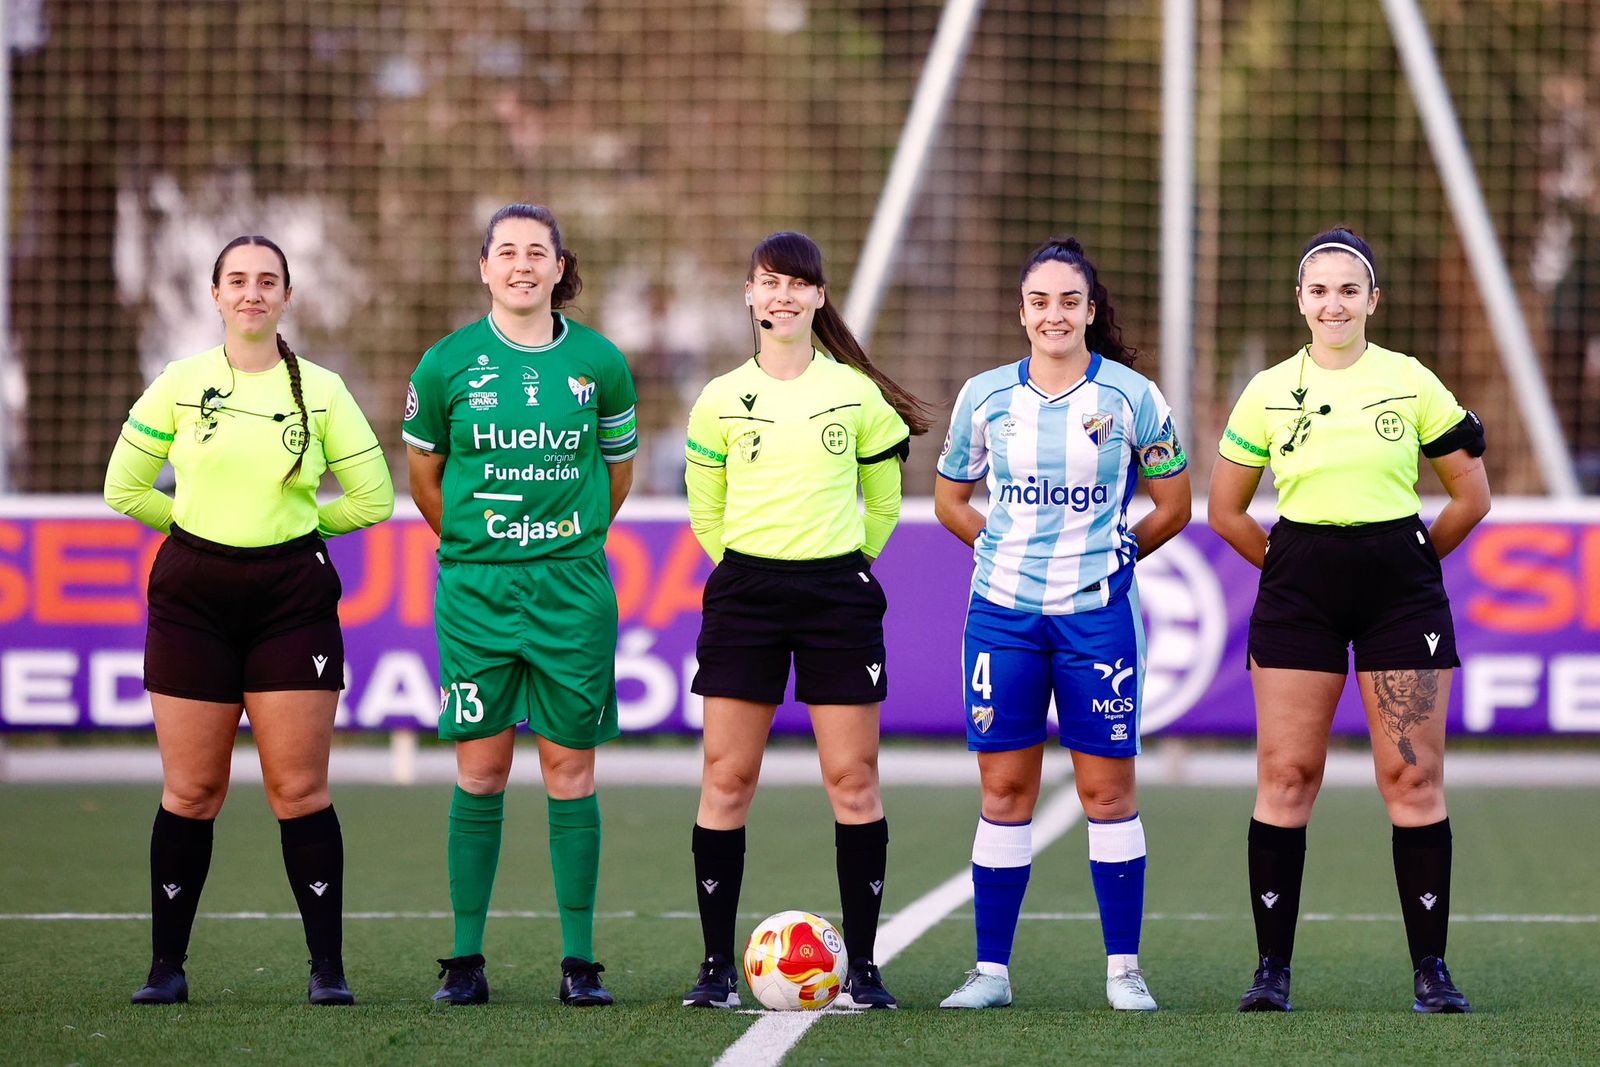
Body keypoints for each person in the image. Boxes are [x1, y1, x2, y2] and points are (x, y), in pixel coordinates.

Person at [105, 235, 394, 1006]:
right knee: (192, 789)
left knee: (298, 788)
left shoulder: (324, 390)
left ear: (287, 296)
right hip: (192, 599)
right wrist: (196, 530)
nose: (252, 292)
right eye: (237, 280)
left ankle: (327, 969)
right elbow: (123, 487)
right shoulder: (180, 381)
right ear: (216, 294)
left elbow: (374, 500)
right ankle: (166, 968)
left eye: (268, 280)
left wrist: (294, 530)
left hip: (291, 598)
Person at [1208, 227, 1491, 1013]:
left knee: (1412, 776)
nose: (1334, 302)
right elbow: (1226, 512)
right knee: (1288, 775)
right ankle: (1271, 972)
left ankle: (1431, 971)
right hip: (1299, 593)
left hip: (1402, 594)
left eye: (1348, 289)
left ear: (1373, 301)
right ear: (1301, 301)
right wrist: (1295, 572)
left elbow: (1471, 497)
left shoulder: (1411, 380)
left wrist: (1410, 560)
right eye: (1319, 289)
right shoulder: (1267, 389)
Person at [933, 237, 1191, 1012]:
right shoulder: (984, 396)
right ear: (1022, 312)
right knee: (1005, 785)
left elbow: (1174, 504)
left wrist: (1118, 552)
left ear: (1089, 310)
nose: (1054, 314)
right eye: (1040, 301)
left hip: (1097, 616)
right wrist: (1000, 545)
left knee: (1106, 791)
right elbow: (950, 498)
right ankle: (990, 972)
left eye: (1069, 301)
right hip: (1003, 615)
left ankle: (1123, 969)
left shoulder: (1132, 397)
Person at [679, 231, 931, 1010]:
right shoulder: (720, 397)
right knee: (727, 778)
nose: (782, 296)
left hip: (837, 596)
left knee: (852, 779)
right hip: (745, 592)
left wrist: (846, 563)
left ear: (820, 297)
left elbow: (884, 503)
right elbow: (706, 511)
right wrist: (753, 564)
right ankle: (717, 967)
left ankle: (863, 967)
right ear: (750, 296)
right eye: (768, 283)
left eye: (798, 284)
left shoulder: (854, 394)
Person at [403, 203, 637, 1007]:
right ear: (484, 268)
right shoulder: (445, 365)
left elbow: (618, 473)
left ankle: (580, 962)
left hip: (572, 588)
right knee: (481, 767)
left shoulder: (602, 363)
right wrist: (481, 539)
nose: (522, 264)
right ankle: (465, 959)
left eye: (538, 251)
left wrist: (564, 537)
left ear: (560, 267)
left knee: (570, 768)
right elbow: (425, 480)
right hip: (476, 588)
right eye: (507, 251)